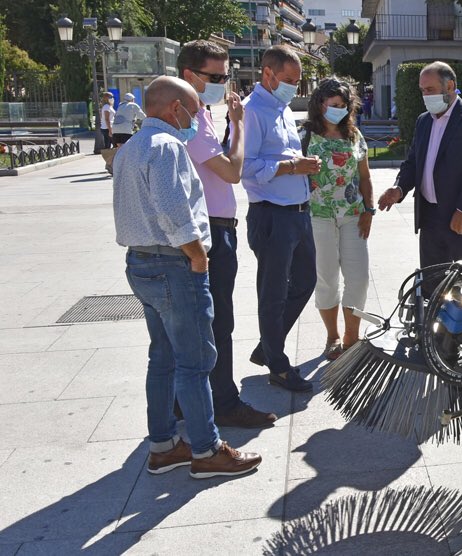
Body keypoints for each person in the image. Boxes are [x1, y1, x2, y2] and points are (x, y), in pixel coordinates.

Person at [113, 75, 261, 479]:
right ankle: (206, 449)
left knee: (161, 357)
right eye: (194, 111)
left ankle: (163, 446)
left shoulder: (130, 149)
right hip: (174, 264)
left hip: (140, 262)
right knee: (196, 362)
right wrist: (197, 257)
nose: (197, 119)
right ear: (175, 109)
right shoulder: (166, 147)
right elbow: (173, 211)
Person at [178, 40, 277, 427]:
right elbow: (232, 172)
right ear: (189, 75)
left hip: (216, 227)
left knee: (205, 321)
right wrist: (237, 126)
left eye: (226, 75)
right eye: (215, 77)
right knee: (218, 322)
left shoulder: (199, 114)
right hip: (211, 232)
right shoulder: (190, 117)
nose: (223, 84)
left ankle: (184, 400)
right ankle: (223, 401)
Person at [377, 61, 462, 319]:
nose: (425, 96)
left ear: (450, 86)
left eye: (430, 89)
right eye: (422, 91)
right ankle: (436, 340)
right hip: (430, 218)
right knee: (433, 283)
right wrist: (399, 188)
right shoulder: (423, 122)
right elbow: (413, 162)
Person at [242, 45, 321, 393]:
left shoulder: (283, 109)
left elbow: (284, 158)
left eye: (298, 82)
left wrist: (305, 172)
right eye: (289, 81)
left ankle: (268, 344)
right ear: (268, 73)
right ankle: (278, 364)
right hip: (271, 214)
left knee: (306, 281)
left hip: (299, 211)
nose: (294, 88)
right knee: (272, 293)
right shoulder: (252, 112)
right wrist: (293, 167)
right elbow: (245, 169)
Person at [303, 78, 375, 360]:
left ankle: (351, 336)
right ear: (320, 103)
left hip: (353, 216)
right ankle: (332, 335)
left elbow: (365, 177)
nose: (339, 111)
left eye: (344, 106)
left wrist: (369, 211)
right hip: (317, 216)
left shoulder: (354, 135)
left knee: (358, 279)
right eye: (334, 105)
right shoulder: (305, 136)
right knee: (327, 279)